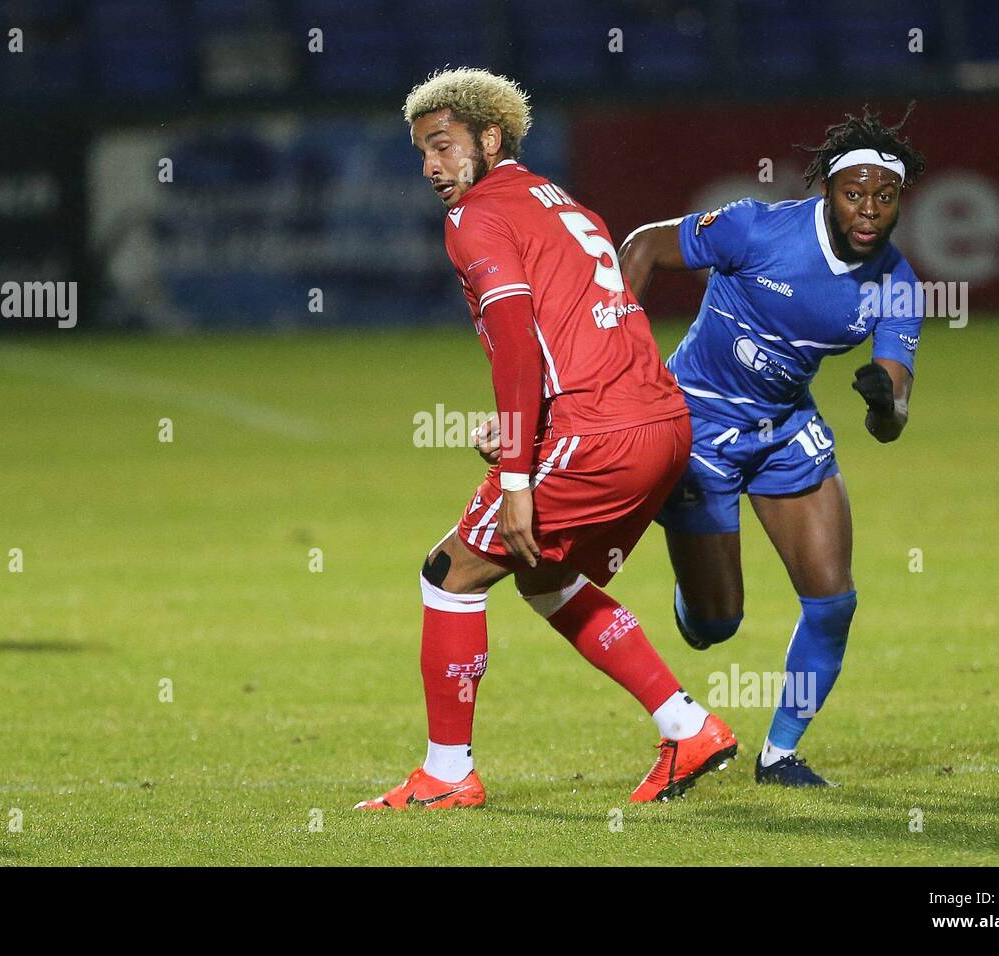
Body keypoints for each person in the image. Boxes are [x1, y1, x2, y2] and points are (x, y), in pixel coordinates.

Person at [357, 68, 735, 810]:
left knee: (450, 574)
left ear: (489, 139)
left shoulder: (474, 216)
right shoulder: (565, 203)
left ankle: (446, 774)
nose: (431, 166)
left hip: (600, 431)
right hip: (660, 423)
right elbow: (573, 335)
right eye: (421, 153)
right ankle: (688, 728)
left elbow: (519, 346)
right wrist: (525, 432)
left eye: (443, 146)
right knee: (544, 576)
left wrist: (520, 476)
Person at [616, 105, 927, 786]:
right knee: (717, 625)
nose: (869, 210)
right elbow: (642, 246)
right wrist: (617, 364)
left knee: (833, 600)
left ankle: (779, 754)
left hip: (785, 427)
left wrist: (884, 403)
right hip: (696, 426)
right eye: (854, 193)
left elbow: (892, 416)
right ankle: (696, 597)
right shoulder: (756, 229)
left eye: (885, 195)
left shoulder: (899, 285)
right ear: (827, 192)